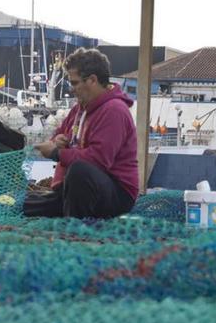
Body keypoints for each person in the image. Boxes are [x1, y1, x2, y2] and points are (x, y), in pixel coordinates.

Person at [24, 47, 138, 219]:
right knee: (29, 205)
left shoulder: (114, 111)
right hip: (82, 189)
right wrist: (58, 140)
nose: (72, 88)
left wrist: (56, 153)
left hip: (117, 193)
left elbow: (98, 160)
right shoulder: (80, 108)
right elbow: (60, 132)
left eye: (75, 83)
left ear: (92, 80)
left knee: (79, 171)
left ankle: (75, 230)